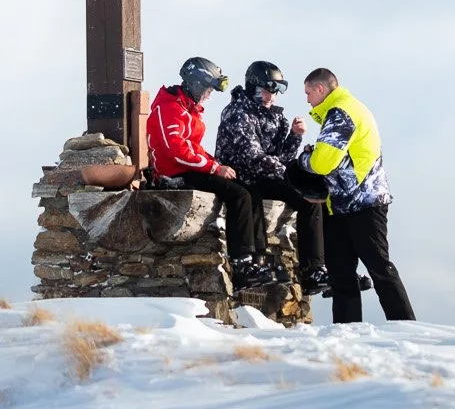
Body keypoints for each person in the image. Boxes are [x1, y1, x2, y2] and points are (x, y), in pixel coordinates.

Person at [298, 68, 415, 323]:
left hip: (363, 203)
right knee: (343, 273)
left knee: (376, 267)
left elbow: (323, 163)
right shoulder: (346, 108)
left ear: (320, 89)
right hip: (343, 204)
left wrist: (305, 158)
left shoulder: (341, 112)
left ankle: (406, 327)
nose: (307, 100)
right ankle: (350, 332)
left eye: (308, 93)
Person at [146, 56, 262, 282]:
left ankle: (258, 259)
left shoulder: (187, 108)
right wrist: (212, 168)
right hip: (174, 174)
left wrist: (216, 165)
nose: (209, 95)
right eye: (208, 89)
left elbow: (194, 147)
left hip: (189, 169)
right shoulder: (169, 108)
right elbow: (176, 150)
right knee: (237, 195)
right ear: (196, 84)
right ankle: (241, 263)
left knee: (250, 191)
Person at [215, 61, 328, 290]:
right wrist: (287, 172)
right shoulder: (238, 112)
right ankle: (255, 263)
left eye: (276, 91)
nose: (272, 96)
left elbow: (282, 156)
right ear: (254, 87)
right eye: (268, 90)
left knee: (310, 200)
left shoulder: (275, 116)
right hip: (241, 174)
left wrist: (295, 136)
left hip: (266, 175)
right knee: (250, 197)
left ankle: (312, 269)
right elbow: (252, 155)